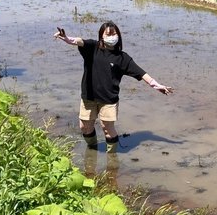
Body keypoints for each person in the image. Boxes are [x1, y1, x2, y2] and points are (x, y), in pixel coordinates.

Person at [54, 21, 174, 153]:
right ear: (101, 36)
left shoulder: (123, 58)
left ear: (119, 36)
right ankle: (92, 151)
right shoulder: (92, 47)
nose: (112, 36)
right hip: (89, 97)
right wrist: (65, 38)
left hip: (109, 100)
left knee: (107, 128)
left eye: (114, 33)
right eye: (108, 34)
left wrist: (157, 86)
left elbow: (142, 73)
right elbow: (77, 41)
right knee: (84, 127)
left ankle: (112, 160)